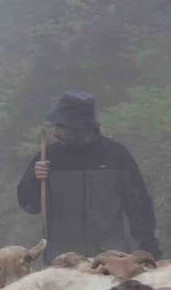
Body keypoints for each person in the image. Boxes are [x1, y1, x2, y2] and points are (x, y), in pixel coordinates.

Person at [16, 90, 158, 258]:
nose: (55, 131)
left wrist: (147, 245)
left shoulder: (116, 155)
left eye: (61, 126)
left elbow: (139, 205)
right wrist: (35, 179)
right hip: (63, 259)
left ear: (80, 126)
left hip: (111, 258)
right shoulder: (48, 157)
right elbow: (30, 205)